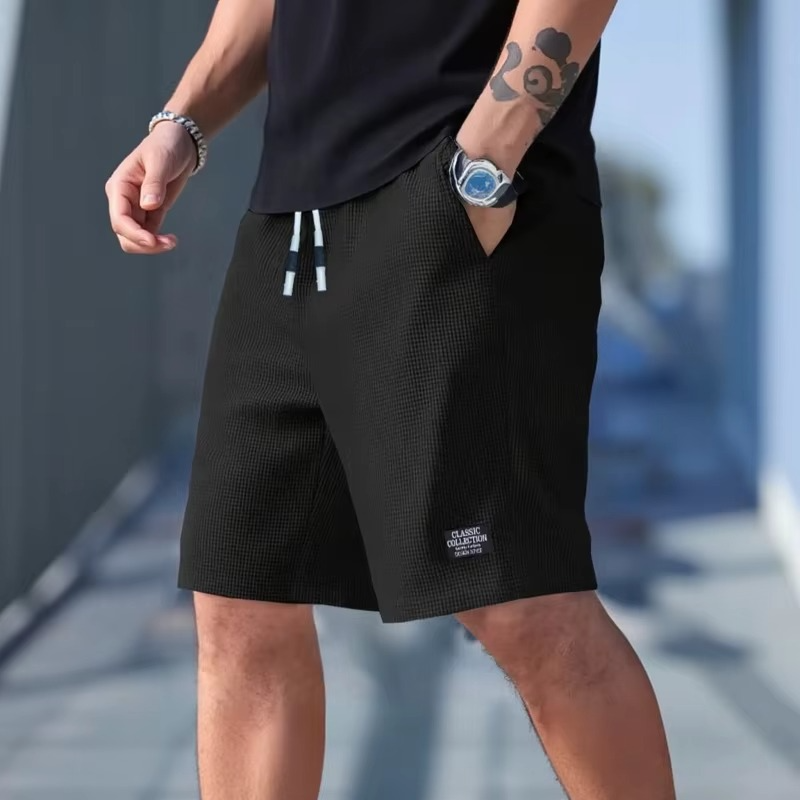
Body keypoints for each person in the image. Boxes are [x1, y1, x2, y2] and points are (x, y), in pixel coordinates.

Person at [106, 0, 676, 797]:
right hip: (287, 220)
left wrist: (484, 164)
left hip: (457, 195)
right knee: (242, 600)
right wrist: (183, 122)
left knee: (520, 603)